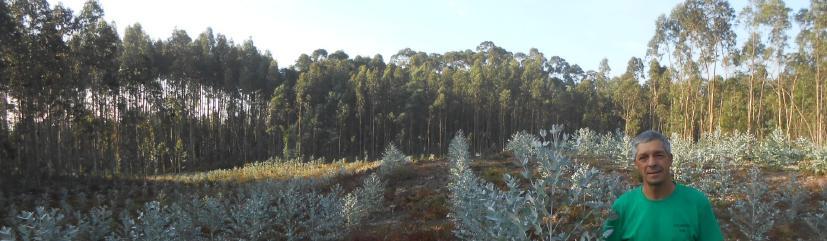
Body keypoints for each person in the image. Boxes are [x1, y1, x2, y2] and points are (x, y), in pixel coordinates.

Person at [602, 130, 723, 241]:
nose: (652, 163)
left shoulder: (697, 203)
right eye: (643, 158)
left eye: (658, 155)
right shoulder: (622, 207)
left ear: (670, 159)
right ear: (636, 164)